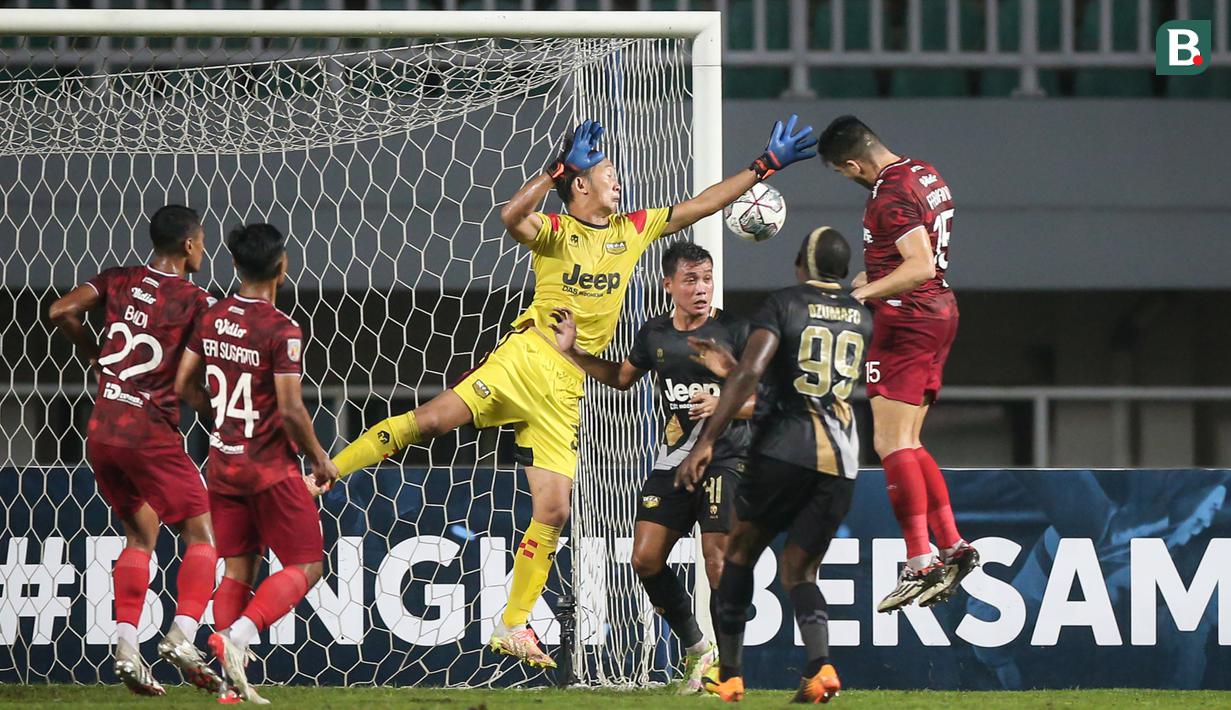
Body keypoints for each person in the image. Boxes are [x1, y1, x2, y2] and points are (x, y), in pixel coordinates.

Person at [326, 115, 818, 668]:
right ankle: (328, 472)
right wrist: (555, 167)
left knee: (554, 511)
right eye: (607, 171)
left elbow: (701, 205)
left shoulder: (631, 230)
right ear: (580, 183)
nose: (617, 179)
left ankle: (513, 624)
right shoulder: (559, 233)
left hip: (566, 384)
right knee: (434, 421)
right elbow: (512, 216)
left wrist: (763, 167)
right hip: (526, 358)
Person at [677, 227, 870, 703]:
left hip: (785, 448)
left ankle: (731, 673)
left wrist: (708, 439)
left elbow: (752, 372)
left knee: (740, 551)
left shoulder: (785, 303)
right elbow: (808, 382)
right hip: (843, 460)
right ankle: (820, 667)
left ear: (802, 264)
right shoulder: (861, 316)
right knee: (801, 571)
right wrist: (728, 366)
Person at [552, 241, 754, 692]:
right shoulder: (654, 334)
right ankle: (698, 650)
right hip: (675, 462)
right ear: (669, 285)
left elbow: (765, 402)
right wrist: (573, 351)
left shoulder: (736, 332)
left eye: (707, 279)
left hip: (726, 458)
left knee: (717, 563)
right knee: (644, 559)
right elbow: (621, 379)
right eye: (691, 280)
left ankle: (729, 673)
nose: (702, 289)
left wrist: (724, 402)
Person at [47, 205, 222, 696]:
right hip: (149, 431)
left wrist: (97, 358)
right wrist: (216, 416)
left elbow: (60, 310)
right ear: (189, 245)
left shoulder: (118, 279)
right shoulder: (196, 301)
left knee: (140, 534)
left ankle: (126, 647)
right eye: (202, 241)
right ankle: (183, 636)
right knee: (203, 532)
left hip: (103, 428)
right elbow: (188, 385)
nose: (203, 250)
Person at [816, 115, 979, 612]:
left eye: (843, 173)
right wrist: (876, 274)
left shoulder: (886, 195)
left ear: (850, 163)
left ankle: (919, 560)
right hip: (937, 314)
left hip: (907, 320)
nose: (848, 179)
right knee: (909, 441)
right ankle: (951, 544)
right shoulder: (922, 173)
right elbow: (916, 258)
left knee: (888, 442)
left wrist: (861, 293)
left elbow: (918, 264)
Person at [175, 223, 338, 704]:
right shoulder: (282, 330)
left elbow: (184, 384)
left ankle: (230, 685)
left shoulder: (211, 316)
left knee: (238, 570)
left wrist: (216, 415)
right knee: (308, 564)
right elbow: (290, 409)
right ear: (282, 267)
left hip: (222, 464)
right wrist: (320, 458)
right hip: (269, 466)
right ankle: (239, 638)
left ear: (236, 266)